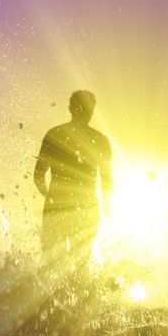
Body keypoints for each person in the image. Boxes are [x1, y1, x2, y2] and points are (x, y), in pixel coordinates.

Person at [34, 90, 112, 277]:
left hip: (57, 204)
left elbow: (38, 176)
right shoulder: (100, 140)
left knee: (52, 261)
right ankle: (72, 304)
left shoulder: (55, 134)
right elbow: (107, 179)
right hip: (87, 205)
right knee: (79, 263)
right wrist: (107, 205)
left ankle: (51, 303)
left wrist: (50, 196)